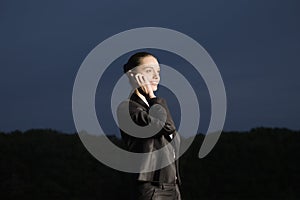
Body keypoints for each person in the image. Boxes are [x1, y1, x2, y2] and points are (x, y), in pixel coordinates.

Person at [117, 52, 182, 200]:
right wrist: (153, 97)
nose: (156, 77)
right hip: (152, 188)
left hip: (172, 187)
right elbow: (166, 127)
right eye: (148, 71)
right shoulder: (128, 108)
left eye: (158, 72)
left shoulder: (154, 106)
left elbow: (171, 132)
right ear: (132, 75)